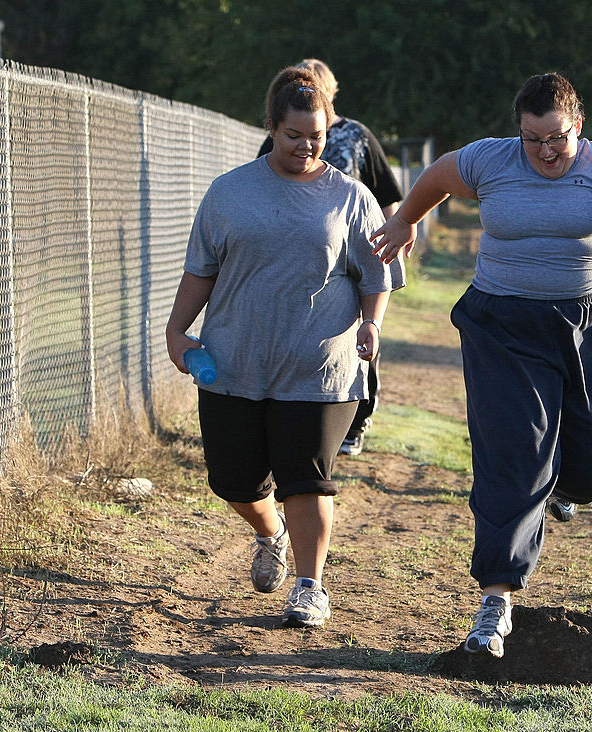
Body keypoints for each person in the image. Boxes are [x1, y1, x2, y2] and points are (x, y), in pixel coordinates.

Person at [371, 72, 592, 658]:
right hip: (505, 326)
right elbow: (437, 177)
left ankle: (558, 481)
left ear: (577, 127)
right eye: (532, 139)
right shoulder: (492, 160)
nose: (545, 152)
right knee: (512, 455)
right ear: (519, 132)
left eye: (556, 138)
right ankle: (496, 600)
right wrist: (406, 216)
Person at [166, 65, 405, 628]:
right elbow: (201, 270)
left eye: (316, 137)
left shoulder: (350, 197)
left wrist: (372, 323)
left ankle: (310, 585)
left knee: (307, 475)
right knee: (234, 479)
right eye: (294, 135)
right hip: (234, 359)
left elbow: (375, 276)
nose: (305, 147)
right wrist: (178, 330)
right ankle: (270, 532)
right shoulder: (229, 192)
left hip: (320, 363)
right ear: (271, 127)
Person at [258, 58, 403, 458]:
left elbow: (385, 192)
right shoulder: (279, 137)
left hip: (353, 245)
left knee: (359, 334)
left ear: (329, 95)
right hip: (302, 250)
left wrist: (395, 233)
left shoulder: (356, 135)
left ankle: (355, 418)